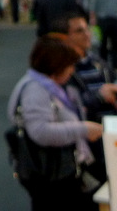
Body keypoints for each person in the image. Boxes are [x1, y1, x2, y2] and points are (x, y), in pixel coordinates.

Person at [7, 35, 103, 210]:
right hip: (51, 175)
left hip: (53, 173)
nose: (72, 70)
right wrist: (83, 129)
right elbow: (41, 132)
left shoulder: (43, 85)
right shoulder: (36, 91)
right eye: (69, 65)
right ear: (56, 66)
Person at [49, 12, 117, 182]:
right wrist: (99, 96)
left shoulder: (98, 61)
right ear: (65, 37)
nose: (87, 34)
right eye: (80, 31)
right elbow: (66, 107)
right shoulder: (61, 69)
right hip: (90, 138)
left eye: (87, 29)